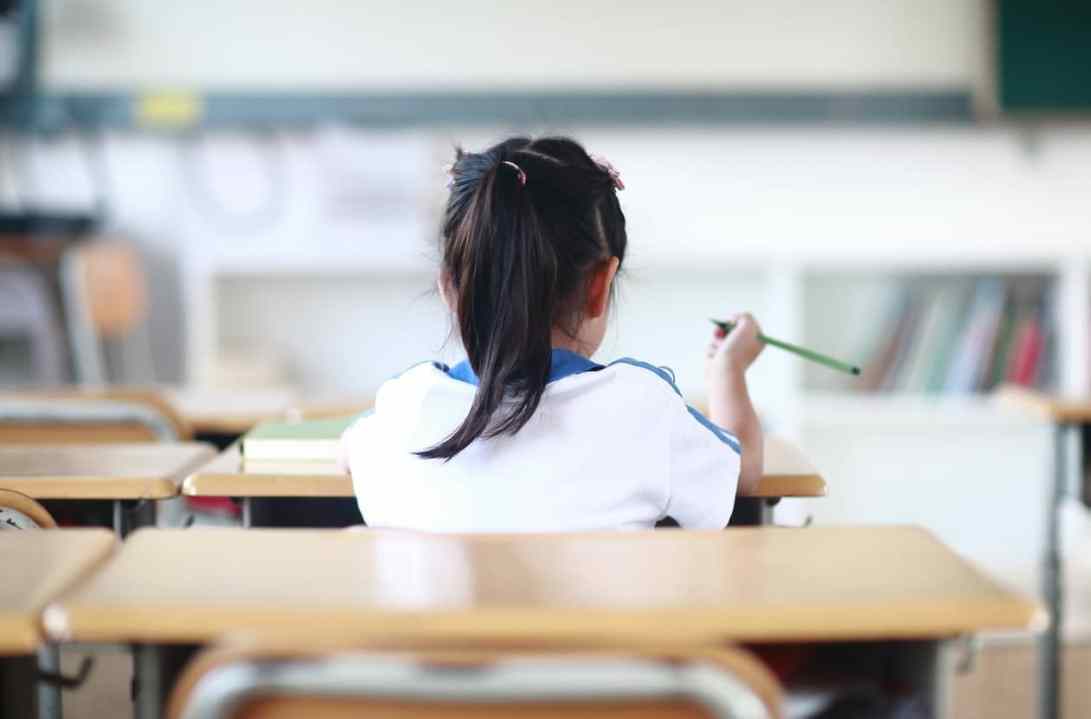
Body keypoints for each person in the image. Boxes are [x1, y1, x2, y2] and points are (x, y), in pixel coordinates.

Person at [339, 136, 763, 531]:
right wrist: (728, 371)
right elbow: (740, 474)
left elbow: (348, 453)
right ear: (599, 285)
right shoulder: (643, 406)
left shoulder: (404, 407)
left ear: (449, 288)